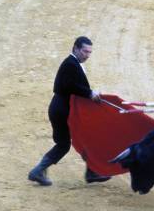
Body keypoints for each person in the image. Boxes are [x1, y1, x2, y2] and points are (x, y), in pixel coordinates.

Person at [28, 36, 112, 186]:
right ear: (75, 48)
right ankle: (90, 172)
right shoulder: (70, 64)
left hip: (62, 109)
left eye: (89, 53)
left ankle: (40, 171)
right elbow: (69, 86)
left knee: (71, 142)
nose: (87, 55)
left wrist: (89, 93)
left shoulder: (73, 64)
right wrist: (90, 93)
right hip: (63, 111)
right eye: (85, 51)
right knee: (70, 142)